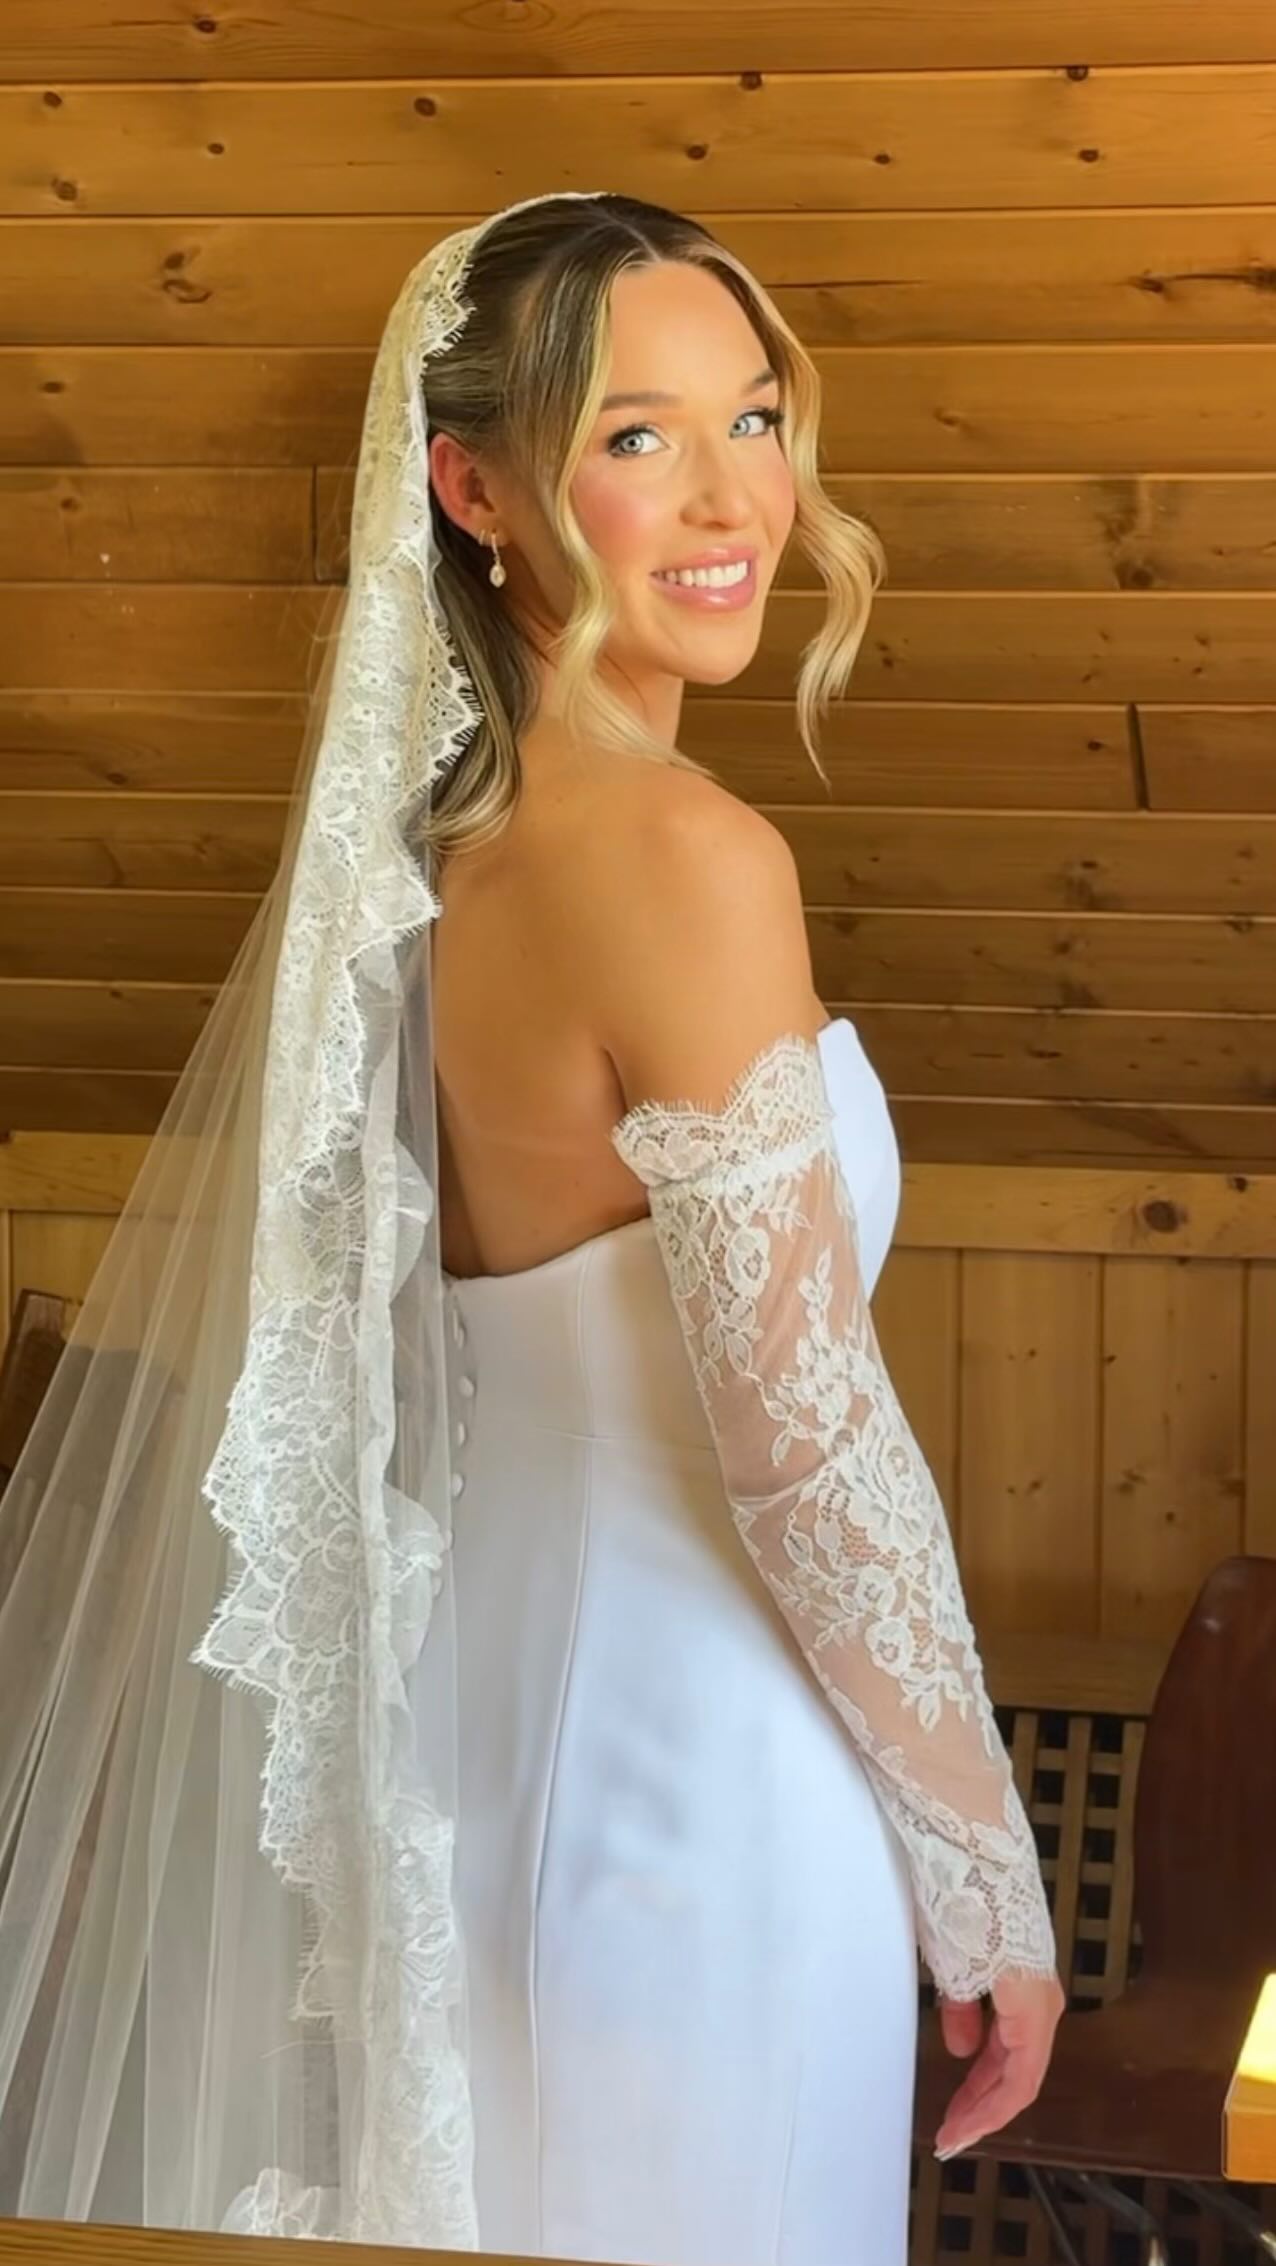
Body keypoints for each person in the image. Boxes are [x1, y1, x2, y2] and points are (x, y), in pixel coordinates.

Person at [0, 191, 1062, 2264]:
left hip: (474, 1735)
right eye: (633, 434)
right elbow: (798, 1439)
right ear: (471, 485)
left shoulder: (436, 863)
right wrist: (983, 1877)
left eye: (750, 416)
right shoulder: (685, 855)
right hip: (698, 1778)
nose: (730, 491)